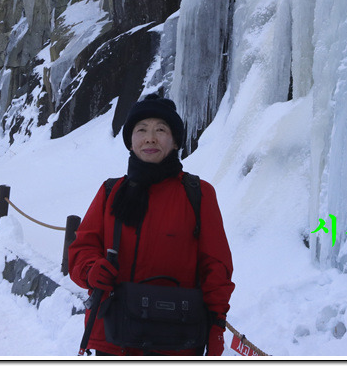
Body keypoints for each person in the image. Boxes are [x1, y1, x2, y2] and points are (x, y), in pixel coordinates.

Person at [68, 94, 235, 356]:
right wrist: (91, 270)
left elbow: (216, 267)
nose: (150, 138)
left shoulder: (198, 194)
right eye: (141, 129)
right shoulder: (111, 191)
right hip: (113, 336)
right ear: (130, 141)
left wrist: (216, 325)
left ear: (175, 140)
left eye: (161, 130)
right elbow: (82, 248)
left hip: (175, 338)